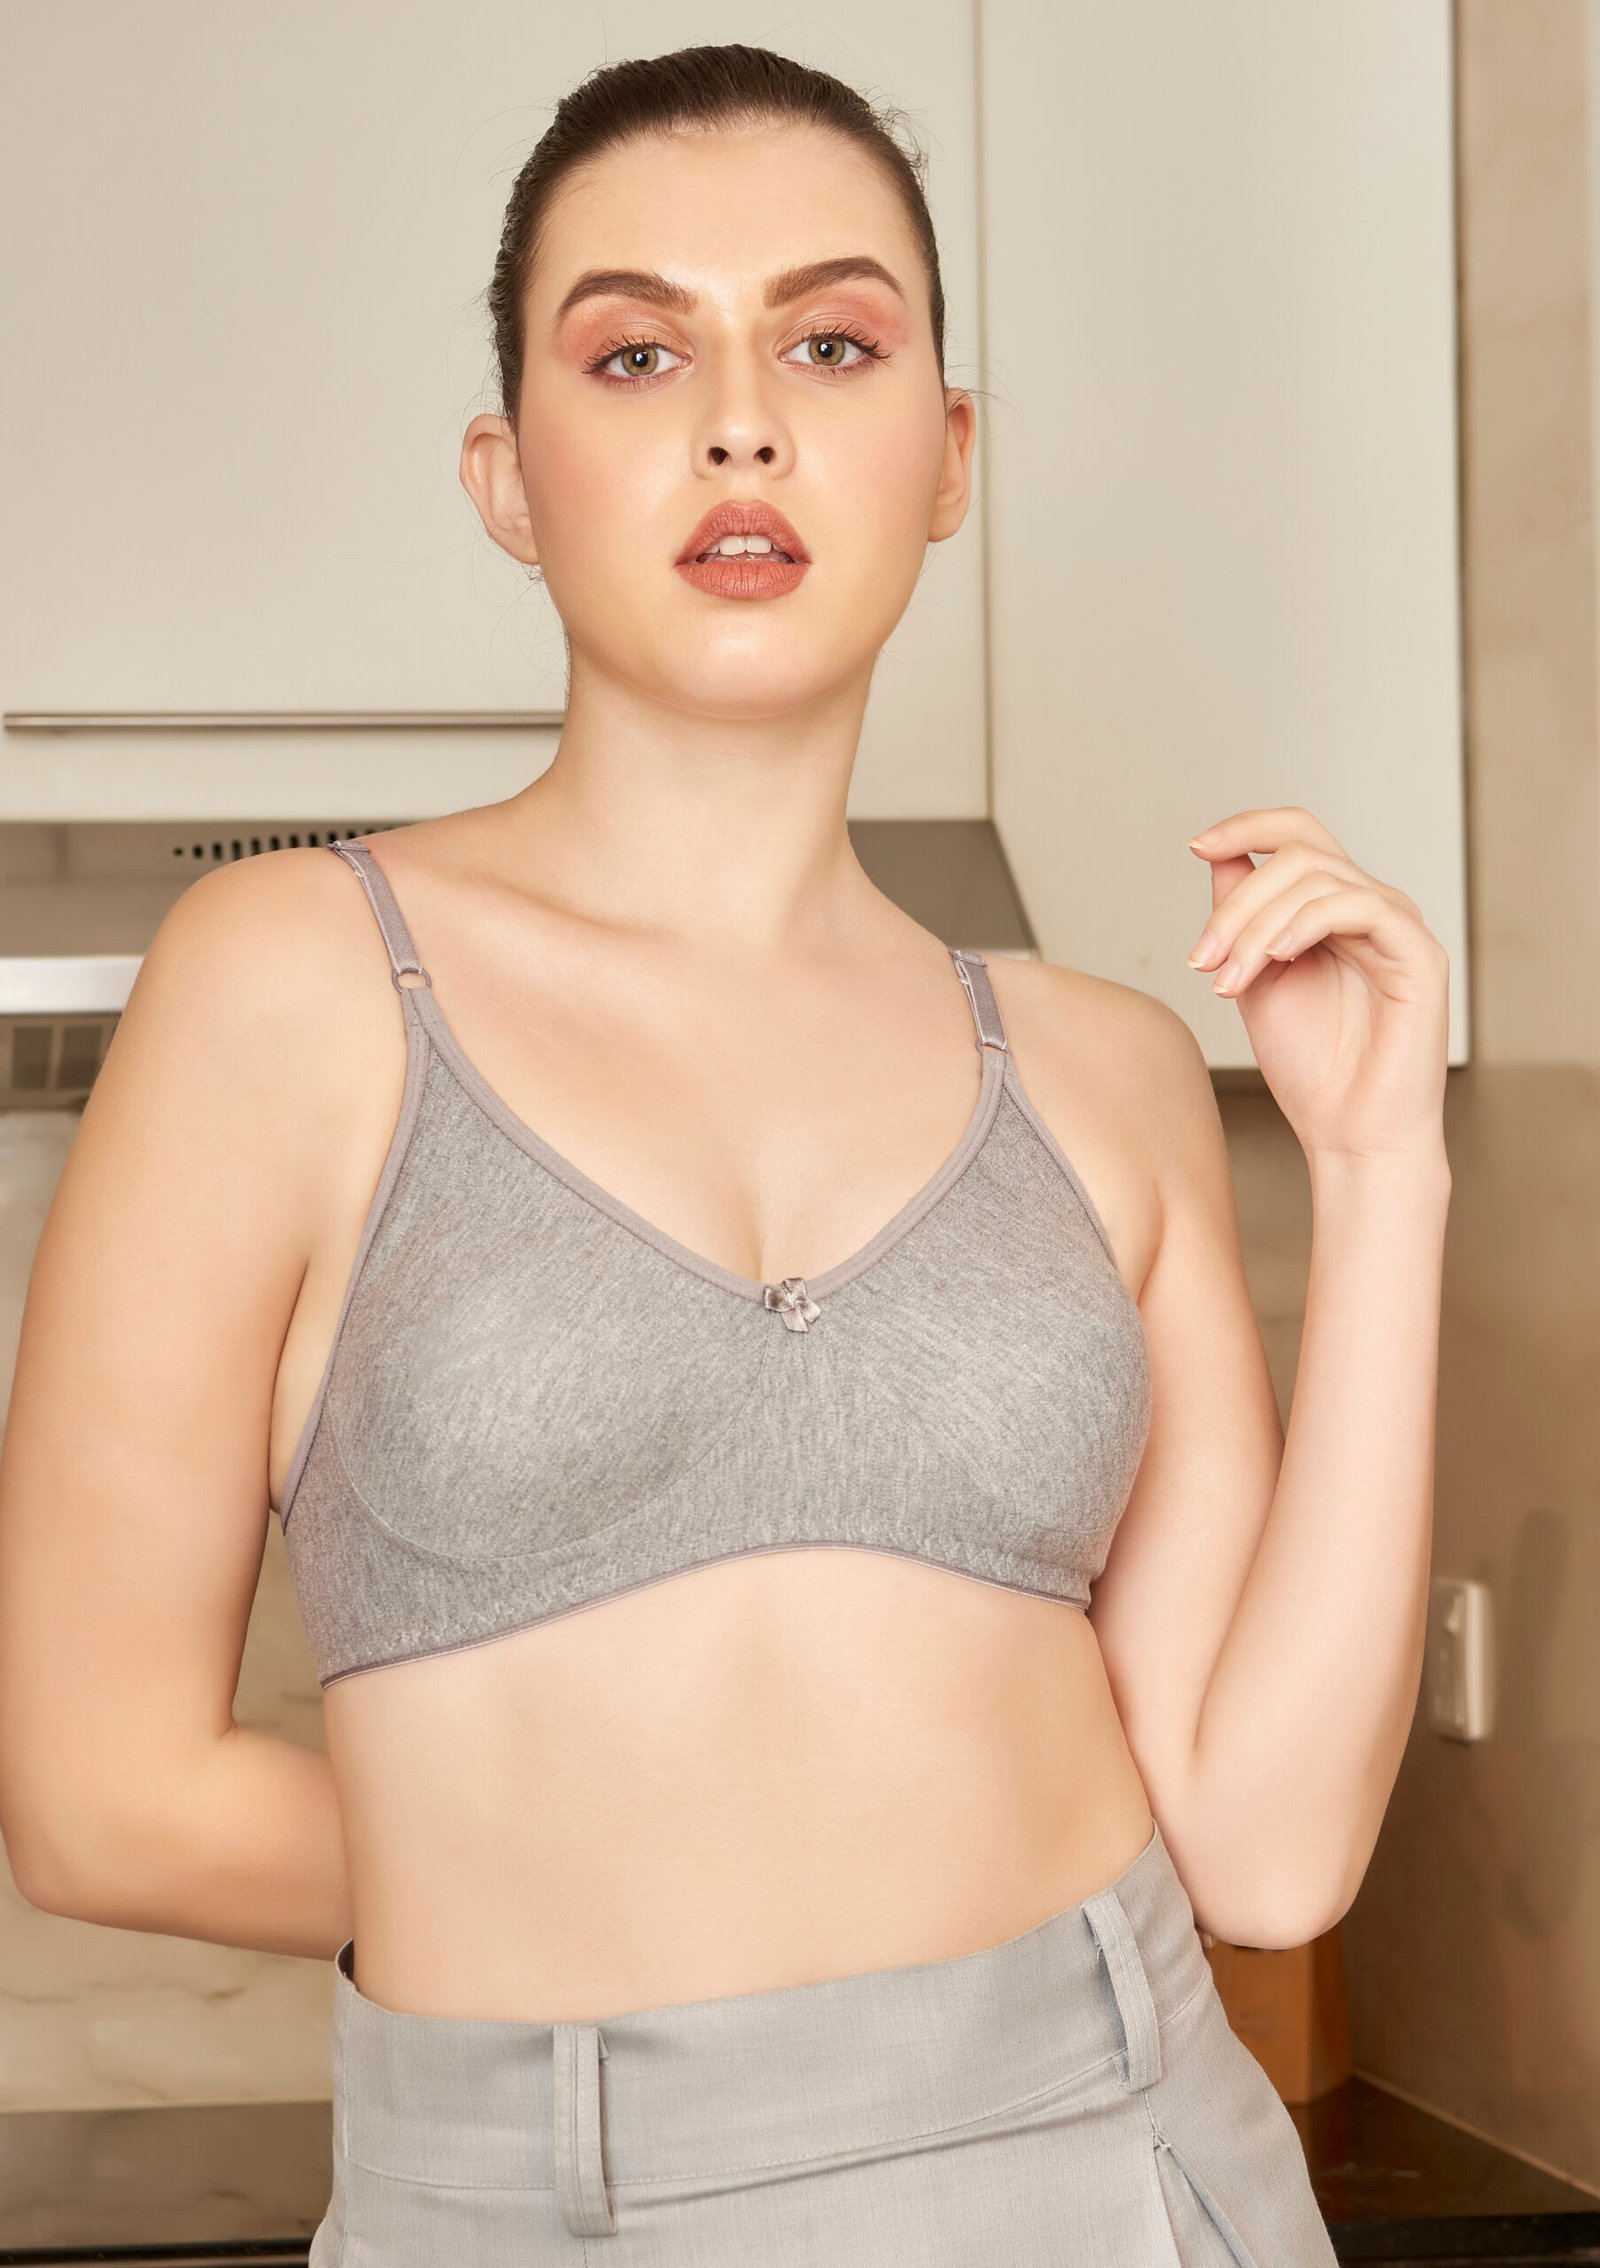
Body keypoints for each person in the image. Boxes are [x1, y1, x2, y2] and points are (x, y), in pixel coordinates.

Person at [0, 41, 1451, 2265]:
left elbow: (1263, 1849)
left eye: (832, 344)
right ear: (508, 478)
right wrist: (679, 1920)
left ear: (947, 454)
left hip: (1118, 2160)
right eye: (638, 353)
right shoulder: (290, 982)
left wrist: (1379, 1171)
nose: (742, 423)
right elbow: (96, 1800)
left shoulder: (1103, 1071)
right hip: (541, 2198)